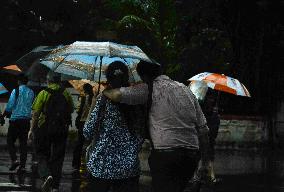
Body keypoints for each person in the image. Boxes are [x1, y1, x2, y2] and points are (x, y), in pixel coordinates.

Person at [103, 61, 211, 192]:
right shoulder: (185, 89)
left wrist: (105, 92)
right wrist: (205, 162)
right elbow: (203, 130)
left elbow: (118, 95)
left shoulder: (148, 88)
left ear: (144, 76)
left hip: (165, 156)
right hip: (191, 156)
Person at [83, 61, 144, 192]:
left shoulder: (103, 99)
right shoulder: (136, 100)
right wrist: (131, 151)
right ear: (126, 77)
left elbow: (87, 132)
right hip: (129, 168)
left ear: (108, 78)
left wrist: (93, 105)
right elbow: (141, 133)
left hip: (101, 166)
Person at [28, 71, 74, 192]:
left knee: (42, 153)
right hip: (61, 129)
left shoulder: (43, 93)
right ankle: (55, 187)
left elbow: (36, 113)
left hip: (44, 128)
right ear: (59, 81)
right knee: (58, 157)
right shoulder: (66, 93)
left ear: (48, 80)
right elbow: (71, 109)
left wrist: (32, 129)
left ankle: (46, 175)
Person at [2, 74, 34, 173]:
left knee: (10, 141)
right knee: (23, 144)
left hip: (15, 120)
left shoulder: (15, 91)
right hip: (26, 121)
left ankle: (15, 160)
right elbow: (32, 105)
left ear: (19, 81)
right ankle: (23, 166)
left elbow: (10, 105)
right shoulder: (31, 92)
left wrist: (3, 115)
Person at [72, 83, 94, 171]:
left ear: (85, 90)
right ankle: (90, 163)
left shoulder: (85, 98)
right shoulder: (95, 98)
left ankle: (75, 164)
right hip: (91, 122)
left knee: (79, 144)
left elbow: (80, 110)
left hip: (83, 122)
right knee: (91, 144)